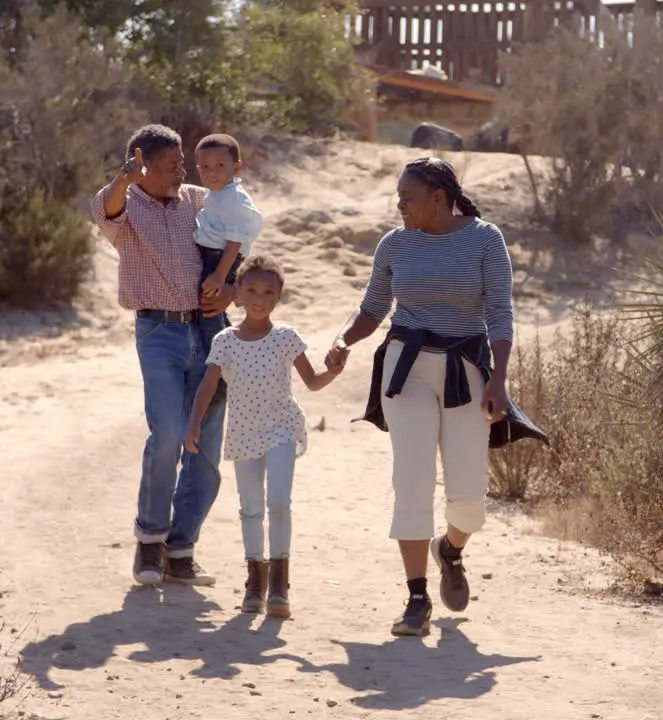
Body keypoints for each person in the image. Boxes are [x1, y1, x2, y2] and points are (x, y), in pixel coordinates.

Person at [331, 157, 547, 637]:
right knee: (412, 479)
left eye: (408, 197)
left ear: (438, 197)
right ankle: (416, 597)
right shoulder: (395, 244)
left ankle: (449, 549)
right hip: (405, 366)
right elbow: (372, 309)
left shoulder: (485, 240)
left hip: (464, 371)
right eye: (398, 198)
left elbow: (500, 314)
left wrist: (499, 382)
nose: (400, 205)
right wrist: (345, 340)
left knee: (469, 498)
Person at [90, 123, 236, 588]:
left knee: (206, 445)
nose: (182, 171)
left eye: (182, 163)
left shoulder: (198, 200)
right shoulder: (124, 203)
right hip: (159, 333)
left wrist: (231, 288)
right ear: (142, 162)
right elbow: (105, 209)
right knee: (170, 433)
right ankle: (149, 540)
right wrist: (124, 179)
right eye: (172, 164)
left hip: (211, 331)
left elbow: (240, 236)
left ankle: (182, 549)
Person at [185, 255, 347, 619]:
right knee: (250, 508)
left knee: (278, 502)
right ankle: (254, 584)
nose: (259, 298)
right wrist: (194, 424)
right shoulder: (225, 341)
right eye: (251, 290)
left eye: (268, 292)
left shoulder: (286, 338)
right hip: (242, 433)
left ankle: (278, 586)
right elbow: (208, 386)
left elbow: (312, 381)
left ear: (279, 297)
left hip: (282, 428)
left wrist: (333, 372)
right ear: (237, 295)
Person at [192, 133, 263, 305]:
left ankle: (217, 332)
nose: (212, 172)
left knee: (208, 305)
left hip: (221, 259)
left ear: (236, 166)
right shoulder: (219, 194)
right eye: (205, 167)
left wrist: (219, 275)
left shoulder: (234, 198)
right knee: (209, 304)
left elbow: (234, 242)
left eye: (220, 165)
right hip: (213, 255)